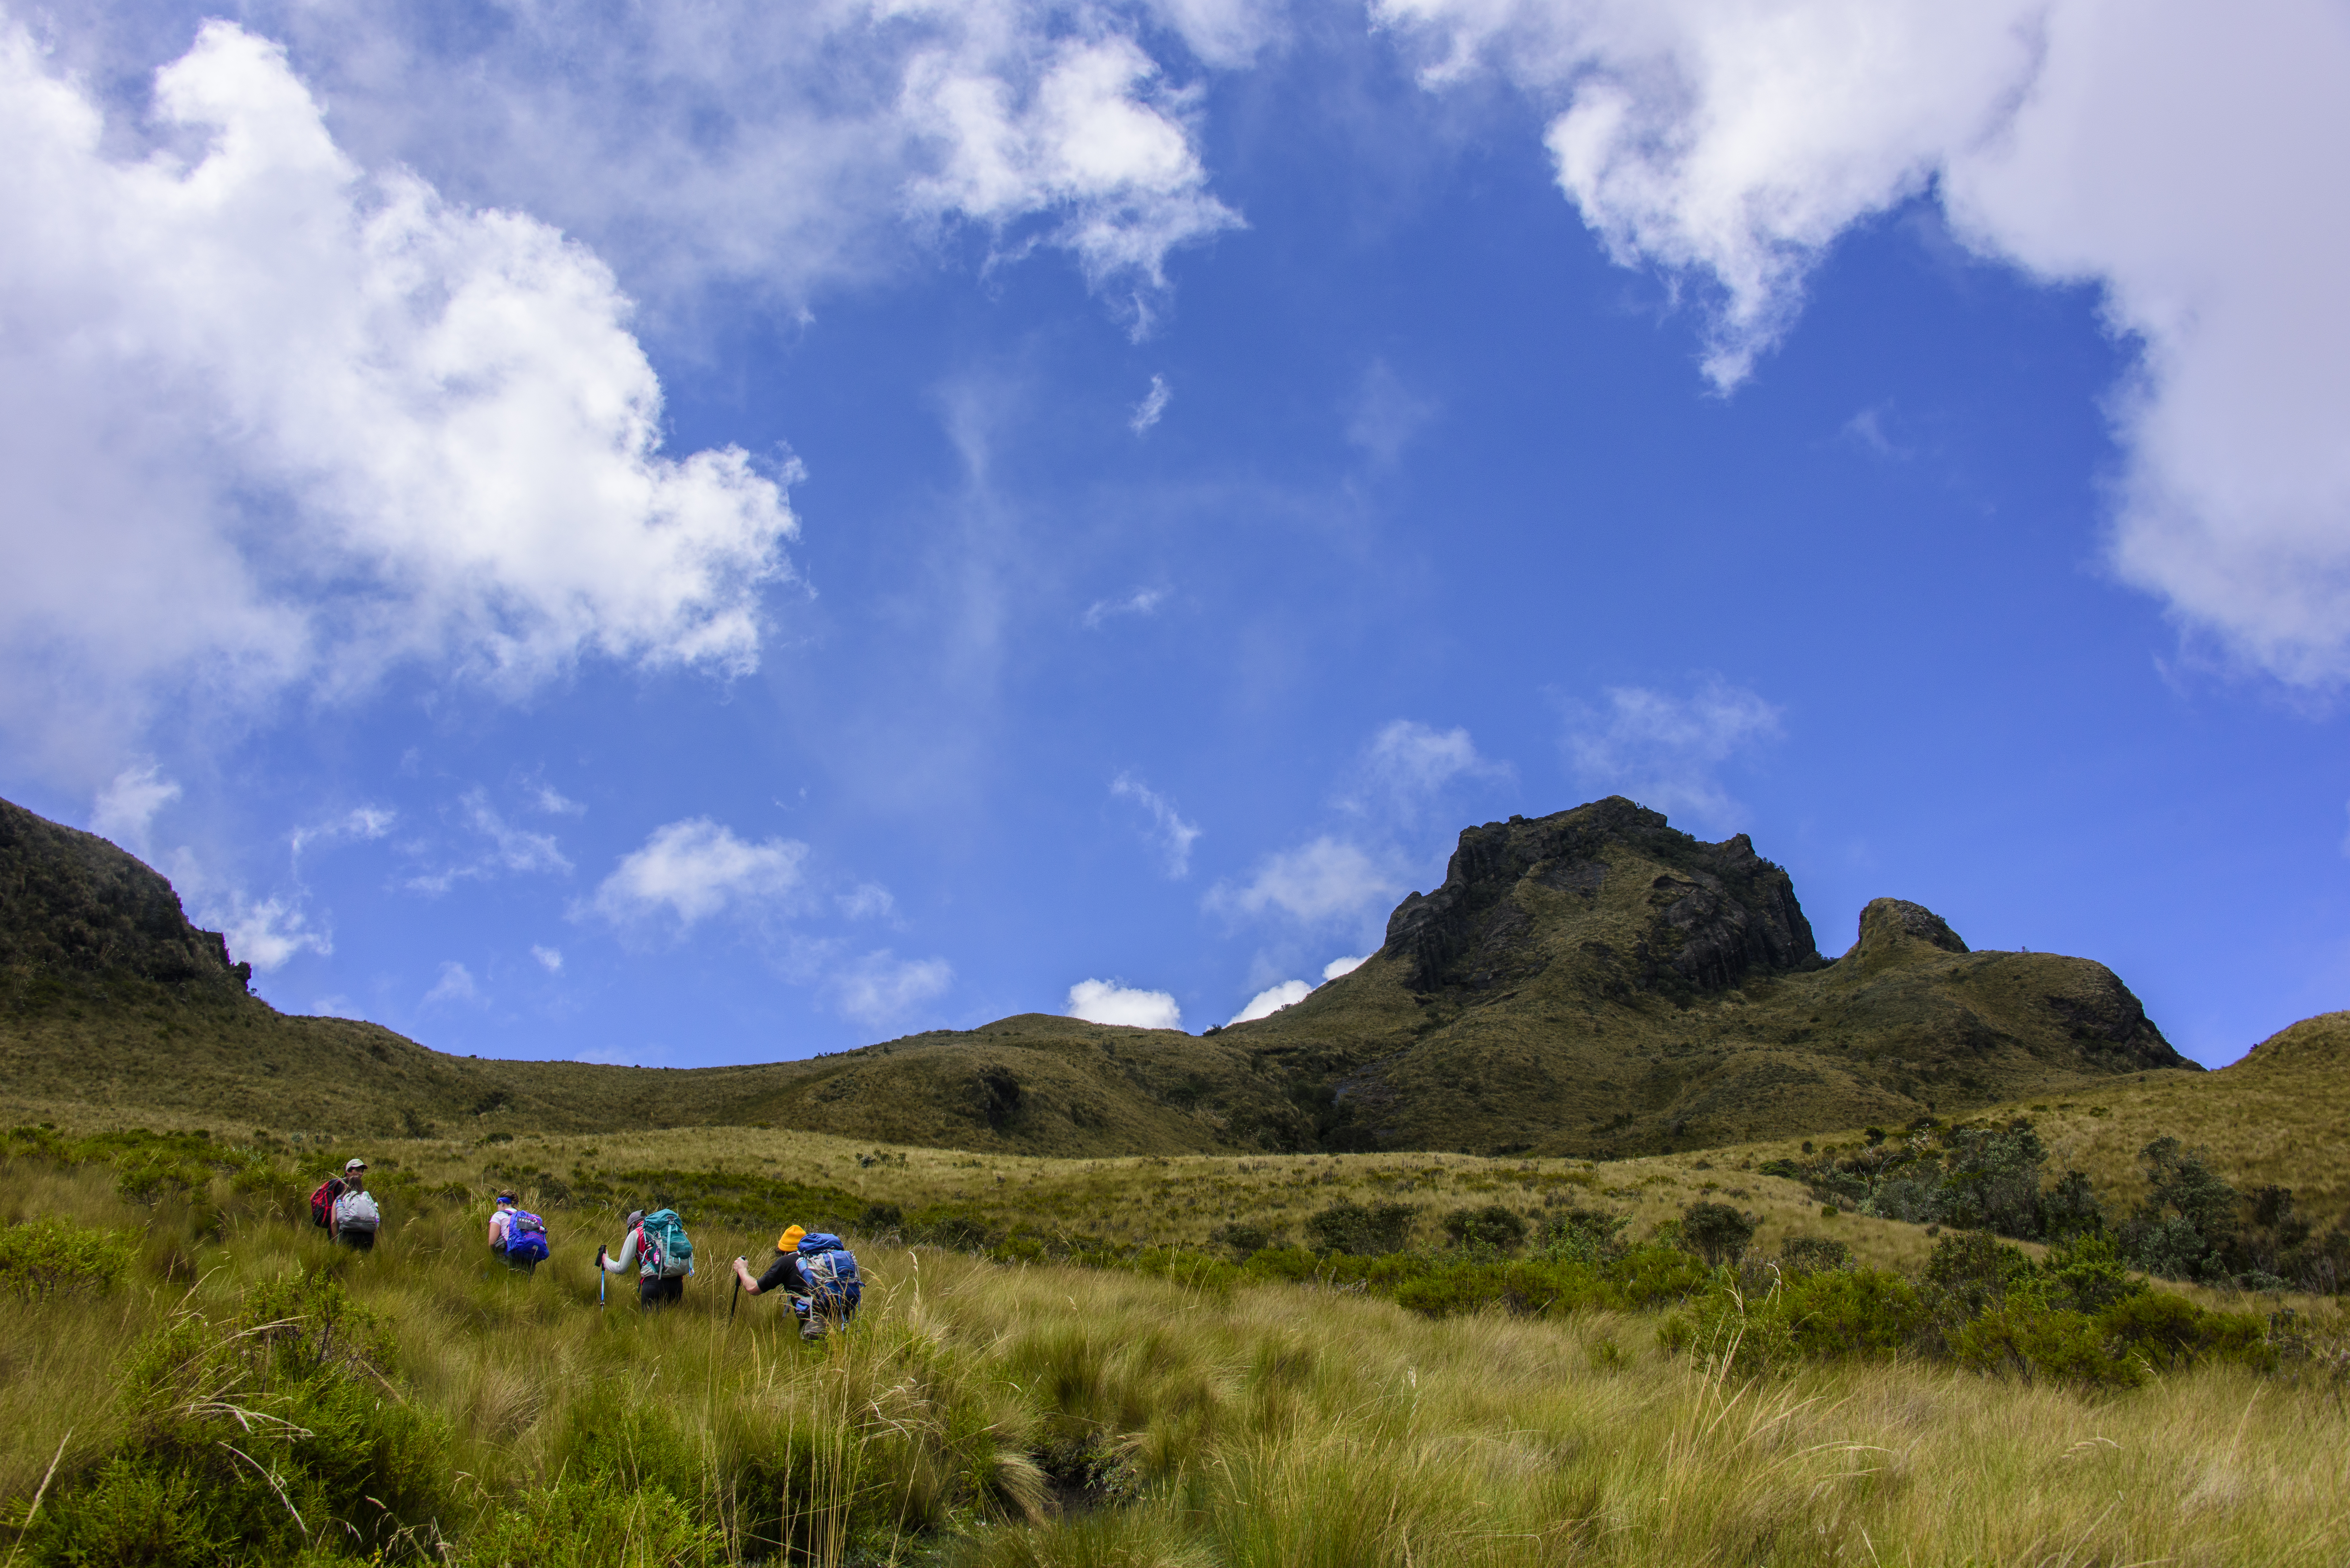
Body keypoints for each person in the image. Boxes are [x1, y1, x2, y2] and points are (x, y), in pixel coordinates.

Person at [732, 1224, 861, 1341]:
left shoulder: (787, 1262)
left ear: (784, 1250)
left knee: (817, 1366)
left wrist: (742, 1269)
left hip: (816, 1325)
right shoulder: (820, 1260)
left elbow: (753, 1288)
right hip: (844, 1321)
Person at [598, 1205, 694, 1309]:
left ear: (632, 1225)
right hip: (677, 1287)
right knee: (667, 1323)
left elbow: (621, 1268)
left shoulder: (637, 1232)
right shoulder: (662, 1231)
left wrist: (606, 1261)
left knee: (650, 1324)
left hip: (654, 1285)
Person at [488, 1192, 548, 1275]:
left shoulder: (499, 1215)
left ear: (501, 1203)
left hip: (507, 1260)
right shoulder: (525, 1217)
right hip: (528, 1262)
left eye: (498, 1204)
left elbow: (492, 1242)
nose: (498, 1207)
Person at [330, 1161, 381, 1251]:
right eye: (358, 1170)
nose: (361, 1173)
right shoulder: (367, 1196)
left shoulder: (341, 1197)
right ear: (348, 1172)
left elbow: (334, 1221)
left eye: (362, 1171)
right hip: (368, 1237)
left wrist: (336, 1241)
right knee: (363, 1262)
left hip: (346, 1234)